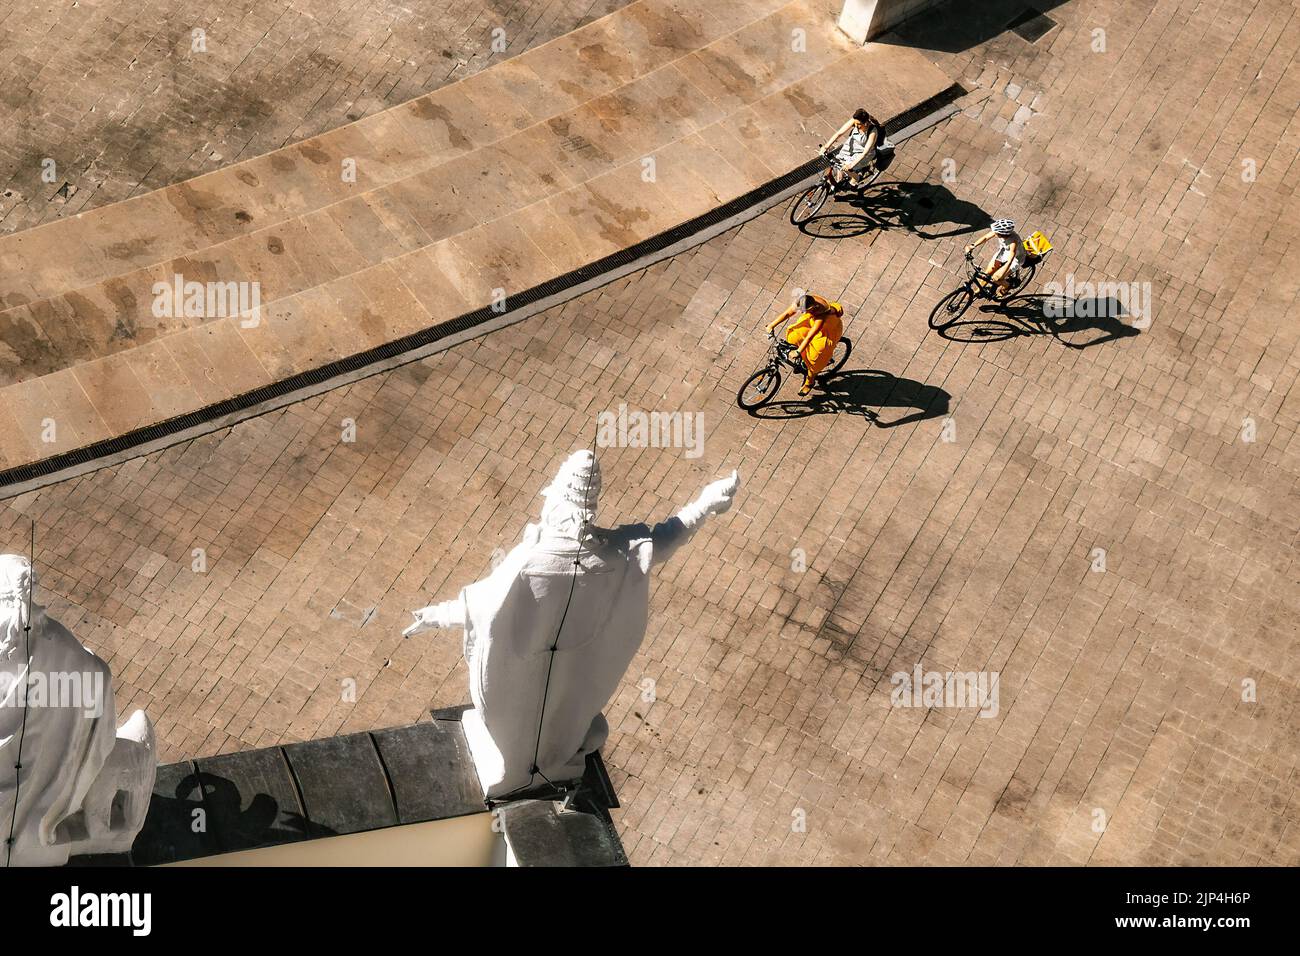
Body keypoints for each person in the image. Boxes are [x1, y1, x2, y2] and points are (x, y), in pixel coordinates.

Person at [765, 292, 845, 396]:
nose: (802, 312)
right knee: (795, 334)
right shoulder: (803, 301)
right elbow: (788, 313)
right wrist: (771, 325)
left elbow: (810, 336)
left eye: (804, 311)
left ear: (812, 308)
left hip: (825, 331)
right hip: (811, 321)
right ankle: (803, 359)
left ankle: (810, 382)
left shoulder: (821, 314)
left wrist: (798, 351)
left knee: (814, 359)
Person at [820, 108, 884, 189]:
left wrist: (851, 165)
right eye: (855, 123)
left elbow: (865, 152)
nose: (856, 126)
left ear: (866, 123)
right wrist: (826, 146)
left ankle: (856, 178)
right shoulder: (855, 121)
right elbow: (839, 133)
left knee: (847, 168)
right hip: (851, 147)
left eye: (859, 124)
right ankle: (839, 181)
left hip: (862, 153)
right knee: (838, 162)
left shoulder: (873, 132)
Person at [965, 219, 1027, 297]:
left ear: (1002, 234)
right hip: (1004, 252)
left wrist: (1002, 273)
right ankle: (978, 291)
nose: (994, 233)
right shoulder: (999, 233)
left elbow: (1011, 259)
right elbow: (985, 237)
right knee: (988, 273)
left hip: (1016, 259)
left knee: (996, 278)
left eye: (996, 232)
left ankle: (1007, 286)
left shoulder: (1013, 241)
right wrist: (972, 246)